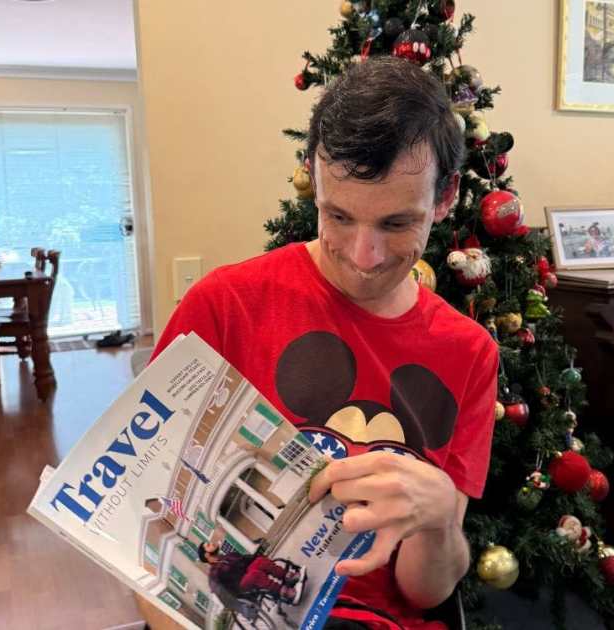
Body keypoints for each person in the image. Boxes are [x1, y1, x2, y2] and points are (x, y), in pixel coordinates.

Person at [153, 56, 498, 630]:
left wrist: (439, 520)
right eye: (337, 216)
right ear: (312, 176)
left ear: (444, 198)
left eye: (396, 224)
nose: (365, 258)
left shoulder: (469, 352)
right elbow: (146, 531)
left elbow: (424, 592)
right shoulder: (224, 306)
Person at [198, 542, 305, 605]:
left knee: (259, 561)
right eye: (208, 545)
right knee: (253, 575)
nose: (212, 543)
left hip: (247, 573)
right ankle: (285, 593)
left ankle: (287, 577)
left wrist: (257, 556)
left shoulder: (226, 557)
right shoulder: (214, 574)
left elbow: (244, 559)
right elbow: (222, 592)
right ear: (207, 555)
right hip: (239, 589)